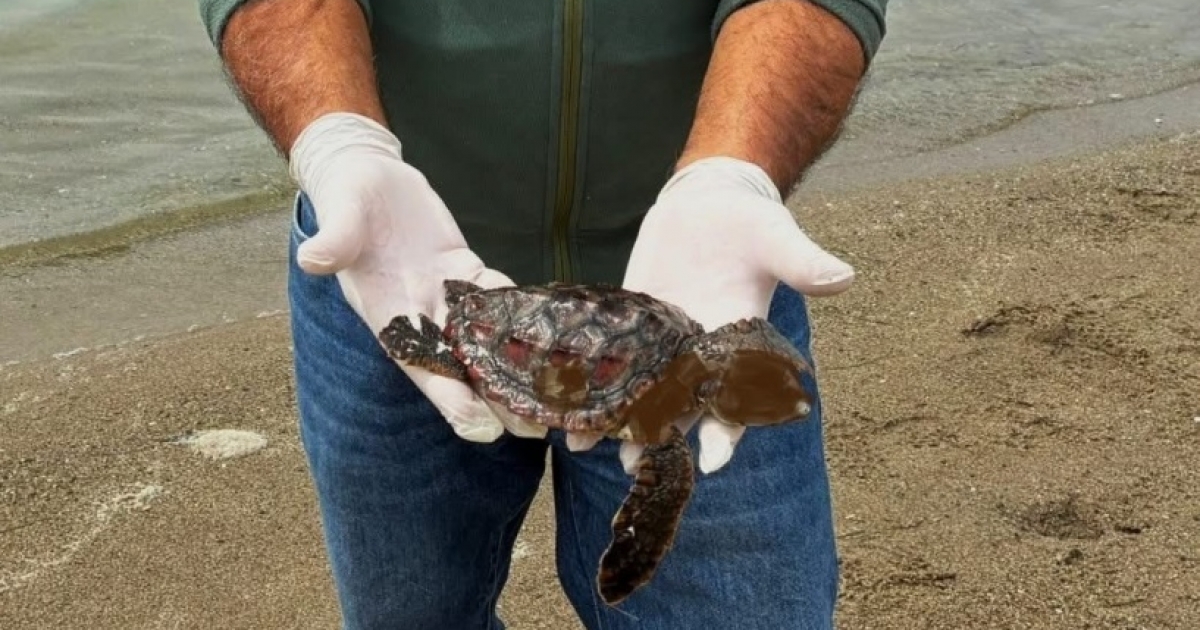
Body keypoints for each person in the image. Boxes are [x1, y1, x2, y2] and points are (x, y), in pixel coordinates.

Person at [198, 0, 887, 627]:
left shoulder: (702, 328)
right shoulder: (681, 356)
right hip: (392, 257)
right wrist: (339, 143)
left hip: (709, 258)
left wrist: (734, 174)